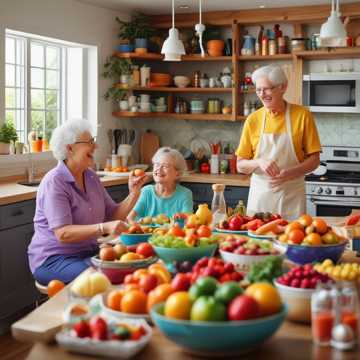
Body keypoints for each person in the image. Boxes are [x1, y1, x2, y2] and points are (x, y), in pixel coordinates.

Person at [28, 120, 147, 284]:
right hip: (53, 259)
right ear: (69, 148)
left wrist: (134, 193)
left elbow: (112, 215)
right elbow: (63, 233)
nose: (96, 146)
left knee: (129, 266)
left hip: (87, 253)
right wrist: (102, 228)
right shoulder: (54, 182)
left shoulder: (90, 176)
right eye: (90, 142)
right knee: (103, 278)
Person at [236, 64, 321, 220]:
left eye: (267, 89)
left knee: (291, 241)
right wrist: (258, 162)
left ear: (283, 87)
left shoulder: (302, 115)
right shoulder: (253, 120)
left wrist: (291, 173)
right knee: (258, 243)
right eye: (258, 90)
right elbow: (240, 165)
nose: (262, 94)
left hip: (292, 197)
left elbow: (315, 160)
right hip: (260, 198)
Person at [127, 147, 193, 221]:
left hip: (174, 232)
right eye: (157, 164)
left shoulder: (185, 194)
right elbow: (130, 218)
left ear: (177, 174)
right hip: (146, 232)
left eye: (165, 166)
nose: (159, 169)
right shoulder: (146, 191)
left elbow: (189, 221)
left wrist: (183, 217)